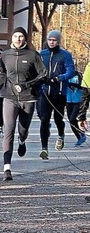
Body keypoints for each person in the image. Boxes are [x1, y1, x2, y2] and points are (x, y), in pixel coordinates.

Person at [0, 27, 47, 181]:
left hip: (28, 98)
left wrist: (27, 85)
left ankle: (22, 140)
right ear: (12, 38)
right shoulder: (5, 55)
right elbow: (2, 75)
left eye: (21, 36)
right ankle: (7, 168)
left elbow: (43, 74)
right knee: (8, 130)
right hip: (9, 97)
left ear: (25, 39)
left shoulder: (32, 55)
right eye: (16, 36)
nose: (18, 39)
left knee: (22, 129)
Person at [37, 30, 75, 159]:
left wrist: (58, 78)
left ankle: (60, 135)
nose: (52, 42)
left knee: (58, 119)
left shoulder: (65, 55)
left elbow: (71, 71)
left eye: (54, 40)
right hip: (44, 92)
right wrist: (40, 80)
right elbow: (35, 69)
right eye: (50, 40)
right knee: (44, 120)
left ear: (58, 41)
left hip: (59, 92)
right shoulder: (42, 54)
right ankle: (44, 148)